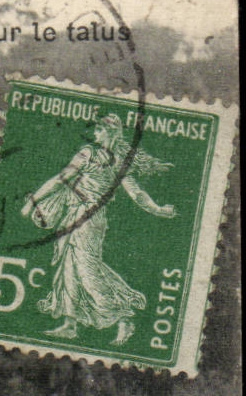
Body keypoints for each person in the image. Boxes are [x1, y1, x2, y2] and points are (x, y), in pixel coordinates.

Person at [20, 114, 176, 346]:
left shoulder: (108, 159)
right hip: (75, 215)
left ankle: (123, 318)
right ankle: (70, 324)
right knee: (68, 267)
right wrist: (34, 200)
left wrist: (158, 210)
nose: (95, 134)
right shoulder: (98, 156)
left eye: (99, 130)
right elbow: (61, 179)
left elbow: (136, 194)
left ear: (111, 132)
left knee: (86, 268)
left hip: (89, 219)